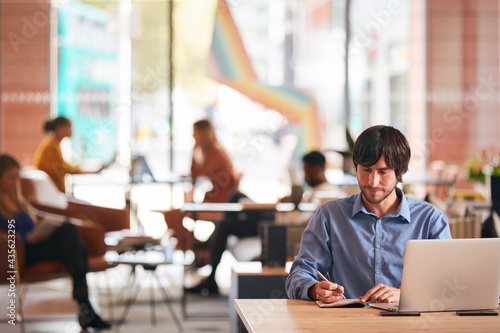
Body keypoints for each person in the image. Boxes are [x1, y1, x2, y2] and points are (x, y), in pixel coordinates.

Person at [286, 125, 452, 304]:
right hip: (347, 324)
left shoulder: (430, 220)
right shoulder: (330, 215)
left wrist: (404, 294)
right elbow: (299, 274)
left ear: (401, 172)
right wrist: (314, 289)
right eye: (366, 170)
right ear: (356, 167)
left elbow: (449, 283)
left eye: (383, 172)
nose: (373, 182)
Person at [187, 151, 337, 295]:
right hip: (275, 221)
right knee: (228, 218)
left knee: (234, 201)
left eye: (306, 171)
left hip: (277, 226)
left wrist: (285, 210)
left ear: (316, 169)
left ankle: (206, 253)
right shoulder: (315, 190)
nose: (304, 176)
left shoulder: (326, 193)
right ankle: (210, 268)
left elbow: (303, 220)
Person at [0, 154, 110, 330]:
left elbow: (36, 220)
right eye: (10, 178)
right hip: (15, 254)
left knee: (71, 235)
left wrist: (46, 228)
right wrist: (23, 238)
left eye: (17, 178)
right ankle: (85, 305)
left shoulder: (19, 202)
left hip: (36, 246)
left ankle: (84, 304)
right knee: (76, 245)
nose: (14, 183)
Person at [33, 116, 106, 193]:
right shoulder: (51, 147)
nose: (71, 131)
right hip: (51, 193)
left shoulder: (54, 144)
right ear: (60, 128)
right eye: (69, 127)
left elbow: (64, 167)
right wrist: (92, 171)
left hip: (53, 192)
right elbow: (64, 169)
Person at [190, 119, 238, 203]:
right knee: (185, 209)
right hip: (216, 194)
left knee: (184, 211)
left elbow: (198, 173)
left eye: (195, 132)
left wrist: (195, 151)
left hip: (223, 197)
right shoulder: (209, 150)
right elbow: (193, 174)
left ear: (203, 134)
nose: (193, 135)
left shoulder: (216, 152)